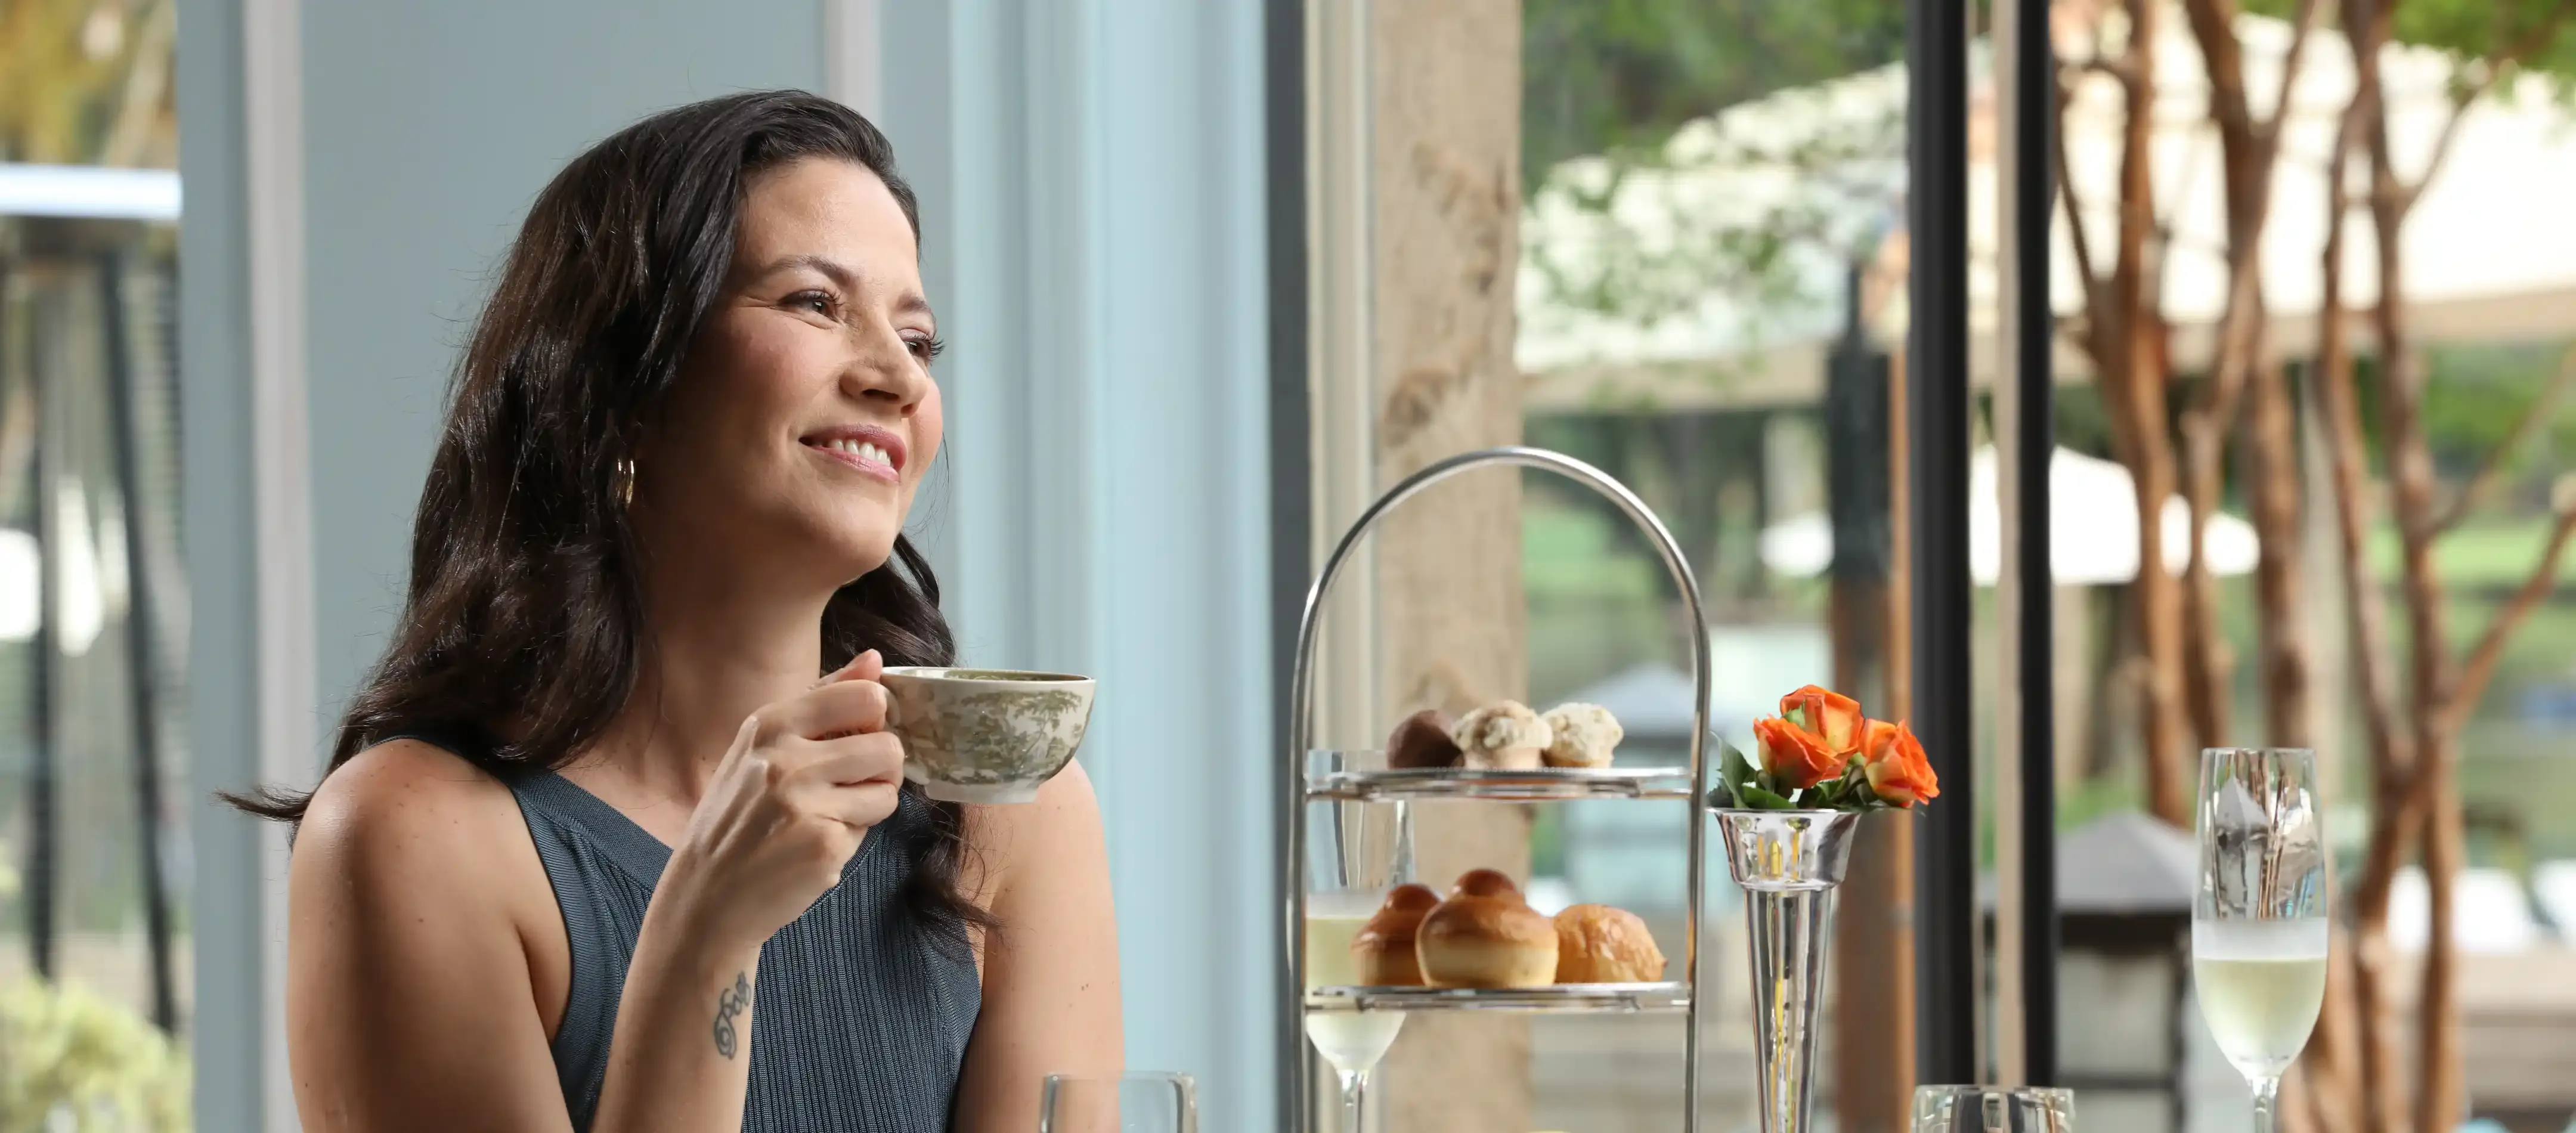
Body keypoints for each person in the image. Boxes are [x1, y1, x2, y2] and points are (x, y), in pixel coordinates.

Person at [237, 91, 1121, 1132]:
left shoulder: (1010, 818)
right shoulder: (413, 839)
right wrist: (706, 930)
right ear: (626, 391)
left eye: (919, 341)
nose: (894, 377)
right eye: (814, 304)